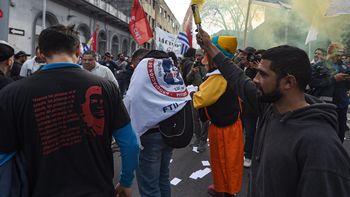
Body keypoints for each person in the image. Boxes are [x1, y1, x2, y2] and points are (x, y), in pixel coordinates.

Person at [196, 29, 350, 197]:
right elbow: (236, 76)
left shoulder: (320, 144)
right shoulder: (270, 106)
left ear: (288, 82)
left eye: (263, 74)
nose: (255, 79)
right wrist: (209, 45)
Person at [0, 24, 139, 197]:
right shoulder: (106, 87)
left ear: (41, 53)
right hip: (98, 190)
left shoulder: (12, 94)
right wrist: (126, 182)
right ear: (79, 51)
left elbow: (4, 158)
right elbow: (131, 144)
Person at [124, 50, 191, 197]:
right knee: (163, 178)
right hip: (170, 133)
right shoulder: (170, 70)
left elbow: (131, 99)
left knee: (149, 186)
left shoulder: (144, 68)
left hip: (149, 136)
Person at [192, 36, 243, 197]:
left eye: (208, 53)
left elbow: (202, 99)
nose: (204, 60)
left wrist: (190, 93)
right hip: (220, 126)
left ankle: (229, 191)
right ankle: (221, 187)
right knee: (218, 161)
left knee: (228, 162)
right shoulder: (220, 73)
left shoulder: (220, 77)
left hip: (227, 128)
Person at [309, 43, 350, 142]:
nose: (340, 55)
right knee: (325, 134)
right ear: (330, 52)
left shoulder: (345, 66)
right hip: (325, 105)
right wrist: (333, 79)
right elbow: (313, 83)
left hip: (342, 105)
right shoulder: (318, 66)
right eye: (338, 52)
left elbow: (348, 86)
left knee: (340, 134)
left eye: (342, 52)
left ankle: (338, 155)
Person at [186, 48, 209, 152]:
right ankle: (197, 137)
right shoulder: (193, 66)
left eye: (199, 56)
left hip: (205, 95)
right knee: (195, 117)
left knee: (204, 119)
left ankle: (203, 141)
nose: (197, 58)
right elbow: (188, 79)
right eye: (196, 56)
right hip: (194, 94)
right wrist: (192, 72)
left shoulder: (208, 66)